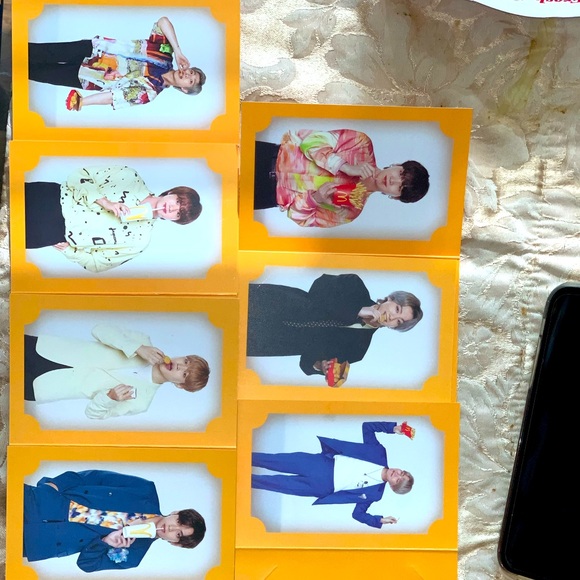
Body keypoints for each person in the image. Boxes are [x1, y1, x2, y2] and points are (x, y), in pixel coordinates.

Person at [25, 164, 202, 273]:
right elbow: (80, 175)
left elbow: (98, 264)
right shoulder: (130, 177)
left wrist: (69, 251)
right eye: (177, 201)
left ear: (174, 220)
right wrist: (106, 202)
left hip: (52, 231)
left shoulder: (139, 241)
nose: (172, 208)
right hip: (50, 197)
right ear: (171, 192)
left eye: (178, 213)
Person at [23, 468, 206, 572]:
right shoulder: (145, 490)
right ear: (175, 512)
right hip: (39, 501)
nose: (172, 529)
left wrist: (105, 542)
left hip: (38, 541)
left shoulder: (134, 554)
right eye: (179, 522)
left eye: (179, 534)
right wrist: (53, 486)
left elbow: (86, 565)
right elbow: (95, 477)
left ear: (175, 543)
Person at [246, 273, 423, 379]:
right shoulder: (355, 285)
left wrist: (321, 366)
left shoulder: (357, 351)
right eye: (397, 309)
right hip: (272, 302)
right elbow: (320, 287)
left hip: (270, 341)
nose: (392, 317)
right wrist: (358, 310)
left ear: (394, 327)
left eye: (398, 321)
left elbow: (306, 362)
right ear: (389, 299)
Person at [24, 324, 210, 420]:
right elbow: (99, 329)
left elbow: (93, 414)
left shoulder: (141, 402)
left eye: (184, 374)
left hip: (42, 385)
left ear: (179, 385)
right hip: (42, 348)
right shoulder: (143, 341)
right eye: (185, 362)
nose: (179, 366)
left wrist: (110, 398)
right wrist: (137, 347)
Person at [252, 420, 414, 529]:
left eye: (398, 480)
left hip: (321, 487)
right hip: (320, 464)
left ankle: (243, 479)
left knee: (275, 484)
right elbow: (368, 427)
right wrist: (393, 428)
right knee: (273, 460)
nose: (397, 473)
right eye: (402, 472)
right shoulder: (379, 452)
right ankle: (242, 456)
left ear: (393, 487)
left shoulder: (375, 494)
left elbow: (358, 514)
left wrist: (379, 520)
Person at [254, 129, 429, 228]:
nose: (392, 181)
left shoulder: (351, 210)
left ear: (395, 197)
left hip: (266, 195)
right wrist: (345, 166)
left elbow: (300, 217)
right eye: (400, 174)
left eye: (400, 187)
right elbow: (310, 141)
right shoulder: (362, 144)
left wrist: (315, 199)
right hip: (267, 155)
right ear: (397, 165)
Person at [28, 17, 206, 111]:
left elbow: (113, 97)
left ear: (184, 89)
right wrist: (178, 51)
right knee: (39, 52)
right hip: (94, 49)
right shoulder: (164, 54)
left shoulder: (150, 92)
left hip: (89, 77)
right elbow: (163, 22)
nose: (188, 75)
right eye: (191, 72)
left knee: (37, 72)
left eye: (190, 81)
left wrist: (82, 102)